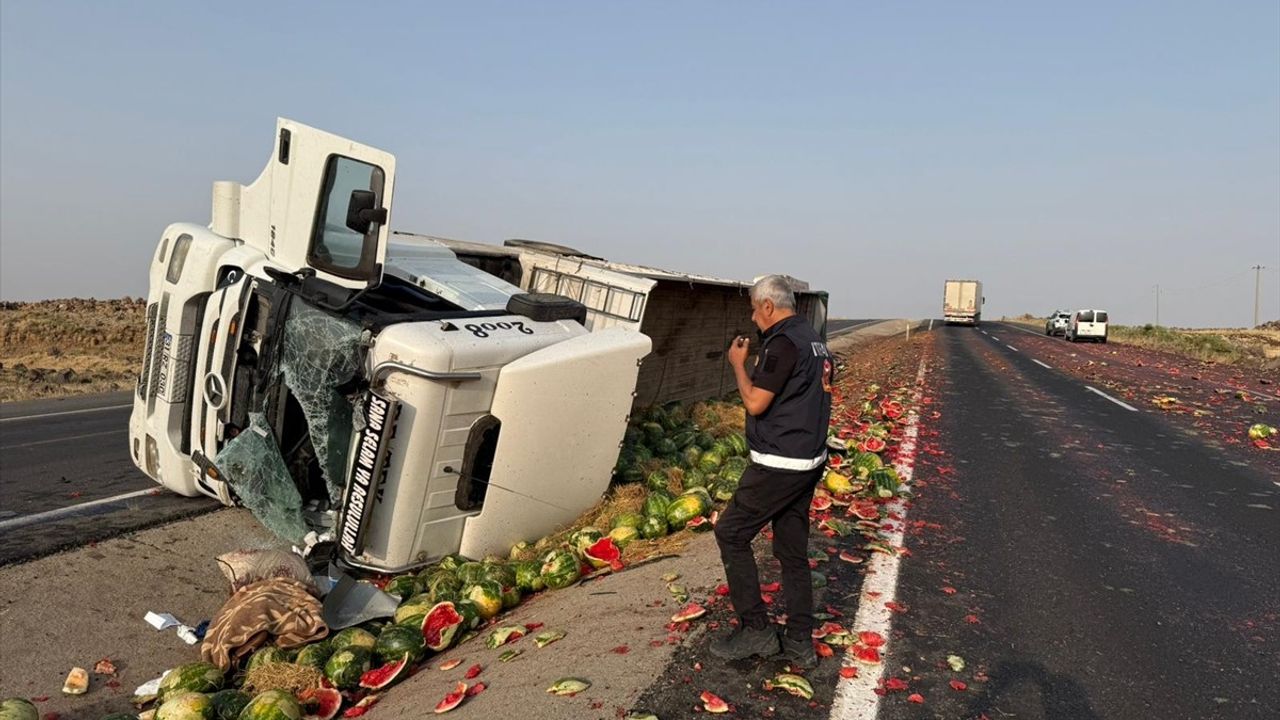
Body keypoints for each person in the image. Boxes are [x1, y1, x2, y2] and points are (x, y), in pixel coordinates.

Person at [709, 275, 834, 668]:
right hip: (808, 460)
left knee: (731, 533)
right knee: (791, 551)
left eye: (753, 309)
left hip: (779, 464)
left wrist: (738, 365)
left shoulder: (782, 343)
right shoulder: (814, 340)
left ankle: (756, 630)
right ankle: (799, 641)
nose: (753, 317)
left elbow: (755, 402)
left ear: (767, 305)